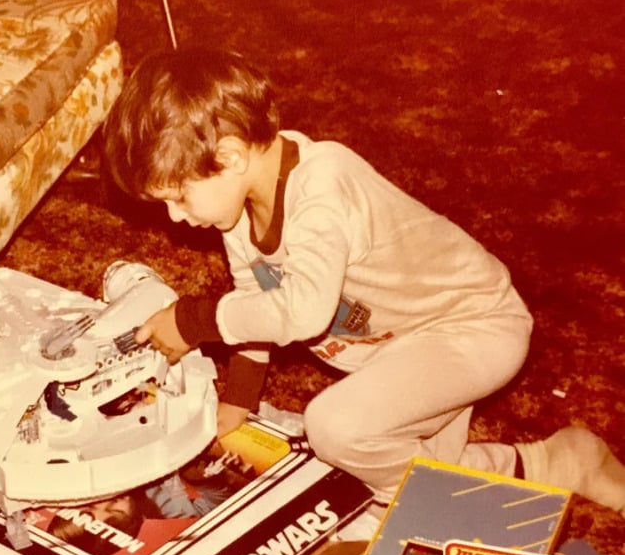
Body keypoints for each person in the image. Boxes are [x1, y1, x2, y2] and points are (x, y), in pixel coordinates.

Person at [102, 47, 625, 515]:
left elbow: (300, 311)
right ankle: (555, 463)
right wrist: (239, 400)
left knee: (337, 429)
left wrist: (193, 321)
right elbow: (256, 303)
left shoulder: (323, 184)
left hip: (474, 327)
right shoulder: (236, 210)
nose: (173, 217)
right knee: (399, 470)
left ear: (231, 157)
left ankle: (444, 510)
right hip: (405, 351)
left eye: (178, 196)